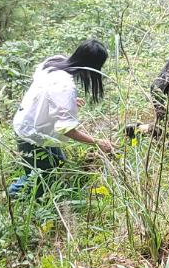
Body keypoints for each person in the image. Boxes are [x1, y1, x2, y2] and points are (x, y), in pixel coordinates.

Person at [8, 39, 116, 198]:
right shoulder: (65, 87)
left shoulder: (55, 61)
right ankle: (14, 196)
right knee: (41, 178)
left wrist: (68, 101)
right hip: (32, 135)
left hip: (28, 122)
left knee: (58, 161)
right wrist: (98, 142)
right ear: (91, 66)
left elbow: (48, 88)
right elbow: (66, 130)